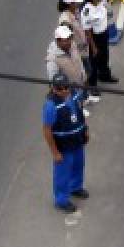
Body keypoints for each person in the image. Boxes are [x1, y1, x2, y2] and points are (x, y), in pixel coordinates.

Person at [42, 74, 88, 213]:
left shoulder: (73, 93)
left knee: (78, 165)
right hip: (63, 146)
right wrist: (55, 152)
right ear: (54, 89)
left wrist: (85, 130)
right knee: (62, 174)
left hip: (77, 140)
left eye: (66, 87)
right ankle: (61, 200)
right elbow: (46, 130)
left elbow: (79, 113)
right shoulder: (50, 105)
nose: (64, 91)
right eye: (59, 89)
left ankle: (75, 187)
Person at [57, 0, 95, 99]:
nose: (78, 4)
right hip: (76, 53)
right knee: (79, 77)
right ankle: (81, 101)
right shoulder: (65, 20)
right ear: (70, 4)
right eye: (76, 2)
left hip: (83, 50)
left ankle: (86, 95)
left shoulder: (75, 12)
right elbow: (65, 40)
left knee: (86, 73)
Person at [80, 0, 117, 87]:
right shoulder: (87, 12)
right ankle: (93, 85)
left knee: (105, 56)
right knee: (94, 62)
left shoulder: (102, 2)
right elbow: (87, 31)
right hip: (95, 38)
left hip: (104, 33)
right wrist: (93, 47)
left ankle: (105, 76)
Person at [45, 24, 88, 97]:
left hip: (80, 86)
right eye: (65, 40)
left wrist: (84, 78)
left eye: (69, 38)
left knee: (81, 104)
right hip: (68, 95)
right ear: (58, 41)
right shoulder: (52, 60)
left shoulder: (72, 45)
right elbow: (54, 83)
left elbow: (79, 62)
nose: (69, 42)